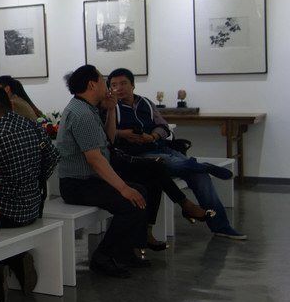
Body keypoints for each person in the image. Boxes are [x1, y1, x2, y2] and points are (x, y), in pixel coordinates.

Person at [108, 68, 246, 240]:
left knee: (199, 175)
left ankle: (221, 226)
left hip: (158, 147)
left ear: (133, 85)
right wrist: (124, 134)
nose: (119, 88)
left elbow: (163, 127)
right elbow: (106, 133)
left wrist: (152, 136)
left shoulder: (146, 103)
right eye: (114, 85)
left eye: (123, 83)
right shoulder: (110, 107)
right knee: (175, 163)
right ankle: (203, 166)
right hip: (136, 155)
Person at [55, 65, 150, 278]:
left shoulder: (87, 108)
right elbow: (95, 159)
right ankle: (103, 256)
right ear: (92, 84)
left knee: (141, 191)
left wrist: (111, 110)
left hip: (88, 180)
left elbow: (109, 139)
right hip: (77, 184)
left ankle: (124, 252)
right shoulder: (82, 114)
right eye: (102, 80)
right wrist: (123, 188)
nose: (107, 85)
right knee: (130, 203)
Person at [0, 86, 60, 294]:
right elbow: (53, 157)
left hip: (5, 214)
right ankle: (14, 260)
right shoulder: (33, 126)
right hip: (34, 208)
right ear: (10, 105)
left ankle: (0, 266)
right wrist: (36, 181)